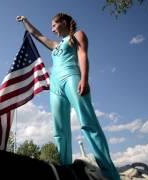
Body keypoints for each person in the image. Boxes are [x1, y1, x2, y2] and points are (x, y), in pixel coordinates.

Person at [16, 13, 120, 180]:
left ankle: (110, 172)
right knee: (59, 130)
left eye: (54, 25)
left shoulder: (77, 35)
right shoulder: (55, 45)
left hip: (72, 78)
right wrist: (25, 21)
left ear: (63, 22)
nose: (52, 29)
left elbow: (82, 55)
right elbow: (37, 35)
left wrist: (84, 78)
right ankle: (64, 172)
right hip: (55, 86)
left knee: (88, 122)